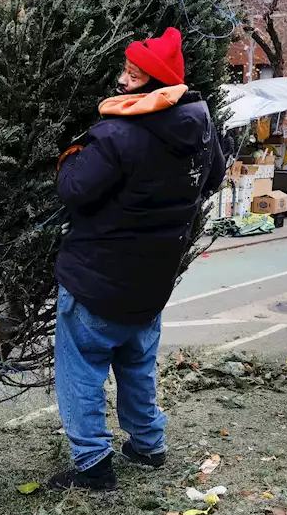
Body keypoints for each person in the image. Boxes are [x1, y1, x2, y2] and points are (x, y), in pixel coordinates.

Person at [48, 26, 226, 491]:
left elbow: (73, 189)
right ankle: (148, 444)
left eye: (131, 74)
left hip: (96, 280)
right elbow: (211, 180)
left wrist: (72, 153)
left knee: (81, 368)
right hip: (152, 280)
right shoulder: (202, 126)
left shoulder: (117, 134)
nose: (122, 81)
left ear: (154, 82)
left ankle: (92, 465)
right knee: (136, 362)